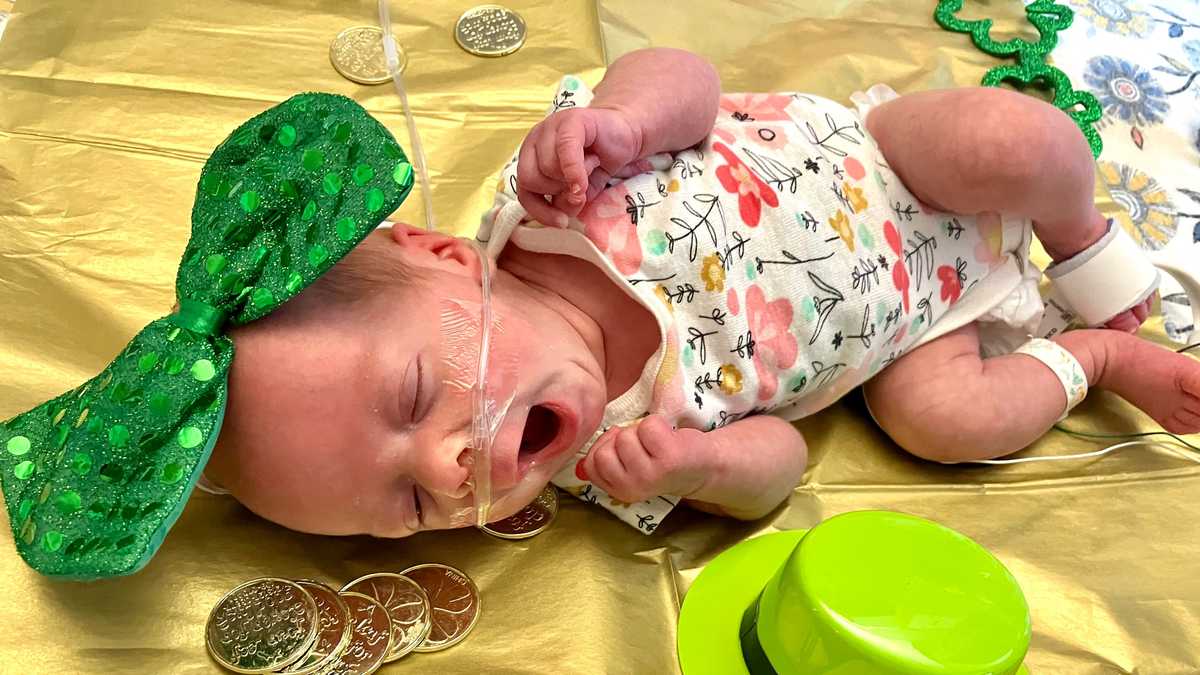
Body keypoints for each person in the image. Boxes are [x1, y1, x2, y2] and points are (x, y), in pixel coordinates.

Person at [205, 48, 1194, 535]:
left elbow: (684, 74)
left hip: (893, 166)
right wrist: (696, 470)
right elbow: (782, 462)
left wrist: (627, 120)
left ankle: (1084, 245)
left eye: (418, 396)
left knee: (1018, 142)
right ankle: (1096, 356)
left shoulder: (557, 192)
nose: (454, 459)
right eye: (417, 500)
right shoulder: (613, 454)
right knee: (944, 422)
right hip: (918, 323)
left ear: (446, 258)